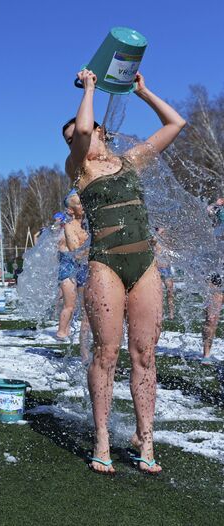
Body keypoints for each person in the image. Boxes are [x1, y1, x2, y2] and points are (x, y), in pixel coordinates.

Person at [64, 69, 185, 474]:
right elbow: (81, 129)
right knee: (107, 353)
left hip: (144, 263)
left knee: (144, 355)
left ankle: (145, 439)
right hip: (106, 265)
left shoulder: (130, 161)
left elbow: (175, 123)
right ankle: (101, 438)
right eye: (70, 141)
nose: (77, 140)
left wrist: (145, 91)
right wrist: (91, 89)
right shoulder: (79, 170)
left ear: (104, 133)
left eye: (83, 135)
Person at [62, 191, 92, 362]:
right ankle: (85, 355)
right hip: (84, 273)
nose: (85, 206)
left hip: (101, 268)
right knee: (87, 316)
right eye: (80, 204)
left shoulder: (91, 222)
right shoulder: (69, 227)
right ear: (71, 210)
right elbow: (76, 253)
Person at [201, 198, 224, 365]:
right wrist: (217, 204)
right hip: (216, 276)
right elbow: (207, 210)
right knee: (211, 317)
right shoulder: (215, 232)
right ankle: (206, 354)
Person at [152, 227, 175, 321]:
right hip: (157, 269)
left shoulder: (167, 240)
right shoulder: (155, 241)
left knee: (170, 292)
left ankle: (171, 313)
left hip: (167, 269)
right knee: (157, 292)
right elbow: (152, 241)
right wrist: (158, 233)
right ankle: (158, 312)